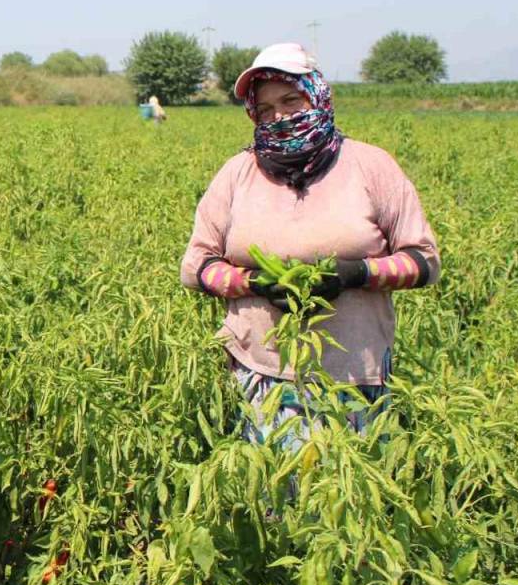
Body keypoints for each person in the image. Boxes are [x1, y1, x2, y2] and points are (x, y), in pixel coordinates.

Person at [179, 42, 440, 450]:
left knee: (349, 493)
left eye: (290, 101)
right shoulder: (238, 173)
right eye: (265, 109)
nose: (279, 117)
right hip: (260, 371)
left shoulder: (371, 166)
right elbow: (196, 266)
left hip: (355, 373)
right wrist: (256, 282)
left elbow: (424, 261)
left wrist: (357, 274)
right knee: (270, 495)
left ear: (317, 95)